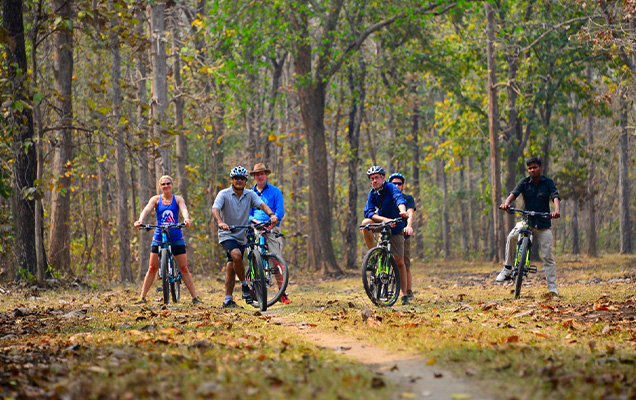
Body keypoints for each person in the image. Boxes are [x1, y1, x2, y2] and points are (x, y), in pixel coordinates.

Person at [212, 166, 279, 308]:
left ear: (246, 181)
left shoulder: (249, 194)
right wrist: (220, 222)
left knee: (231, 265)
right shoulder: (223, 194)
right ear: (231, 180)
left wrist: (271, 214)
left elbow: (262, 205)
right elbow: (215, 209)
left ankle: (227, 300)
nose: (239, 181)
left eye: (242, 178)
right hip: (227, 233)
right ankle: (244, 286)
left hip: (241, 234)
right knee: (236, 256)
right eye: (236, 178)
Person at [496, 156, 561, 297]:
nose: (532, 170)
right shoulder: (524, 182)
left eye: (535, 167)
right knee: (512, 236)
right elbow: (513, 194)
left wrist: (556, 211)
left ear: (540, 168)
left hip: (543, 223)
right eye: (530, 168)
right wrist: (506, 203)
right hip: (527, 221)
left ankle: (552, 289)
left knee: (548, 256)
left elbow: (555, 196)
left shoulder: (548, 182)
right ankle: (507, 268)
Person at [134, 175, 202, 304]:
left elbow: (184, 209)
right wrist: (140, 220)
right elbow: (147, 209)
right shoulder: (155, 199)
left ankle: (194, 297)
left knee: (184, 268)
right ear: (160, 186)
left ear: (172, 185)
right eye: (163, 184)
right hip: (159, 236)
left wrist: (186, 219)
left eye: (168, 183)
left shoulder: (178, 199)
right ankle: (142, 297)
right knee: (152, 268)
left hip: (176, 235)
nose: (166, 186)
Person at [361, 166, 410, 305]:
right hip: (383, 223)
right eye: (372, 179)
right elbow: (369, 212)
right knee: (365, 224)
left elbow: (399, 199)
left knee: (400, 262)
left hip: (396, 226)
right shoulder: (372, 193)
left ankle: (403, 294)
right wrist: (384, 220)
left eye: (377, 178)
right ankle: (374, 255)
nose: (374, 181)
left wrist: (402, 212)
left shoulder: (391, 188)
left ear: (383, 178)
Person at [249, 163, 290, 304]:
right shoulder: (250, 193)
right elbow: (247, 213)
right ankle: (254, 290)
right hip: (255, 227)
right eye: (257, 174)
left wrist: (272, 222)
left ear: (266, 175)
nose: (260, 176)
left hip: (271, 228)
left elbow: (280, 211)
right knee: (254, 258)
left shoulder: (275, 191)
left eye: (262, 174)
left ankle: (282, 292)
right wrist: (255, 223)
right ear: (254, 177)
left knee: (276, 260)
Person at [388, 173, 416, 300]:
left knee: (404, 263)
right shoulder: (387, 198)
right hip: (388, 232)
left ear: (402, 186)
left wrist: (409, 226)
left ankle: (407, 291)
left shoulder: (407, 198)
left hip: (402, 234)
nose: (396, 186)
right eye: (393, 184)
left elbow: (410, 212)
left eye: (399, 183)